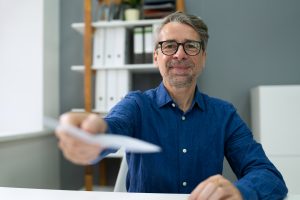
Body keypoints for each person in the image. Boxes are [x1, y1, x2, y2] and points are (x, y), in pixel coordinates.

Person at [56, 12, 288, 199]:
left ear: (203, 57)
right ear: (156, 56)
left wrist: (241, 191)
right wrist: (93, 134)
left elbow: (269, 176)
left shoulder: (224, 114)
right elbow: (111, 127)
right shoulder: (136, 105)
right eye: (169, 46)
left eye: (191, 46)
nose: (180, 54)